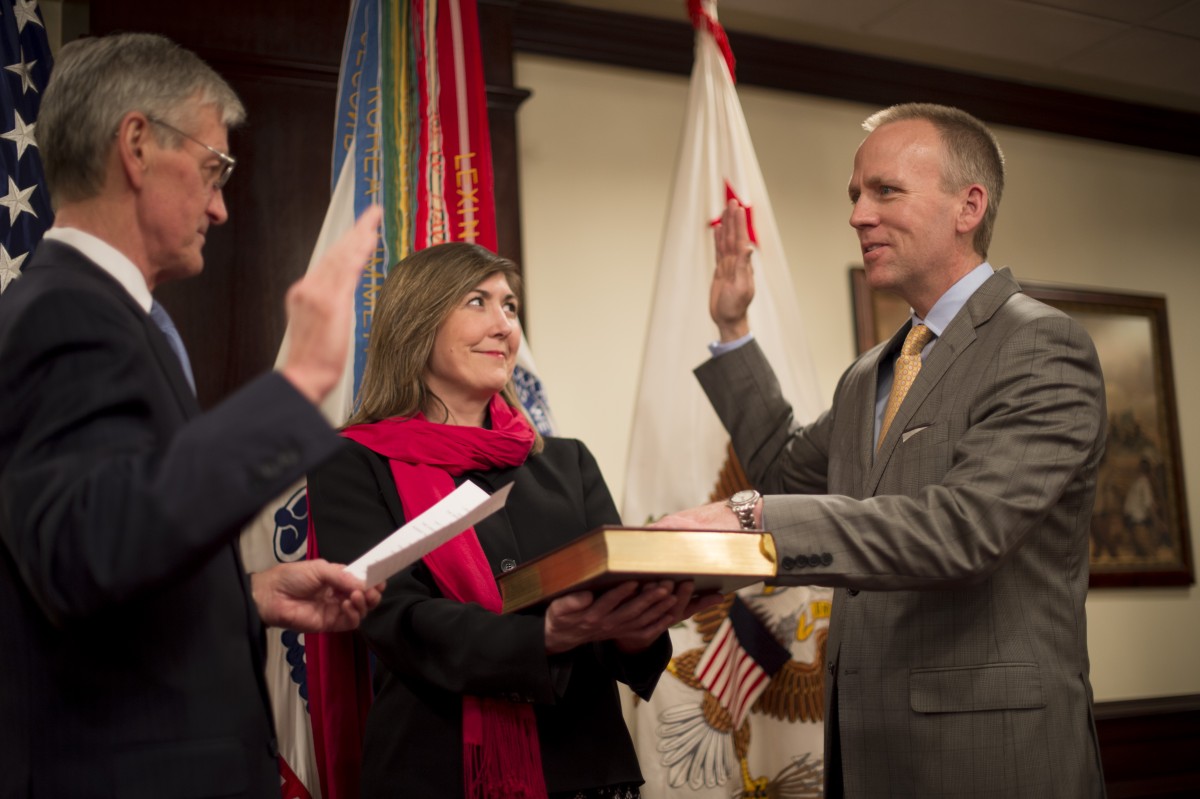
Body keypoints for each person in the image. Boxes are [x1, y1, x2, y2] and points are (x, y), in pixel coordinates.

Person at [656, 103, 1108, 797]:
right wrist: (733, 326)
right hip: (868, 756)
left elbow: (964, 528)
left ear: (969, 205)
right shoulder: (874, 370)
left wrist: (750, 517)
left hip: (992, 758)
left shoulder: (1041, 346)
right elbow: (785, 471)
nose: (858, 215)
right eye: (855, 196)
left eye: (884, 191)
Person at [0, 33, 384, 798]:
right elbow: (86, 557)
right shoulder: (62, 313)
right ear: (137, 146)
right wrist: (298, 382)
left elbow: (123, 536)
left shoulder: (107, 313)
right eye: (213, 169)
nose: (219, 204)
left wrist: (244, 594)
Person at [306, 242, 718, 799]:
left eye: (511, 307)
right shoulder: (351, 462)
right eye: (478, 302)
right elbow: (392, 618)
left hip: (587, 771)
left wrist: (635, 630)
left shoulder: (567, 461)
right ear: (417, 321)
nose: (503, 325)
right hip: (433, 773)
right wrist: (541, 637)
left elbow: (612, 617)